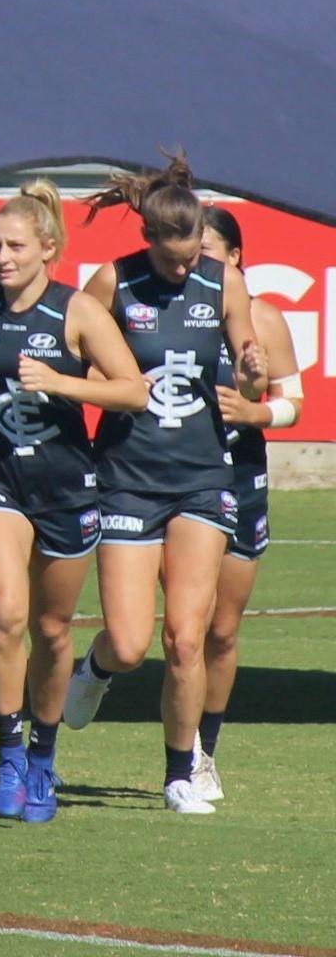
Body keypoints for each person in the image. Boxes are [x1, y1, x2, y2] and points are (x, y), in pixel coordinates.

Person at [0, 179, 146, 824]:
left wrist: (62, 382)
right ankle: (8, 753)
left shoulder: (75, 311)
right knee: (7, 611)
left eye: (13, 246)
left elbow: (133, 391)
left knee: (53, 633)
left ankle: (45, 759)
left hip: (64, 487)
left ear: (46, 248)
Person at [59, 157, 266, 815]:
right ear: (150, 238)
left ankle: (181, 773)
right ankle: (92, 671)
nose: (184, 272)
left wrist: (254, 372)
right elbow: (75, 360)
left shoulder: (222, 280)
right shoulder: (113, 283)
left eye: (190, 260)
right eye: (173, 262)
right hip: (126, 479)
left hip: (203, 479)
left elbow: (250, 372)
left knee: (185, 636)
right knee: (127, 642)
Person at [195, 206, 303, 801]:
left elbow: (293, 403)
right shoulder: (170, 313)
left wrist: (255, 409)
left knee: (221, 629)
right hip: (173, 479)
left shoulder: (263, 318)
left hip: (239, 475)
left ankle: (202, 752)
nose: (199, 260)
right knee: (166, 629)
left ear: (236, 257)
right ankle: (100, 668)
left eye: (210, 249)